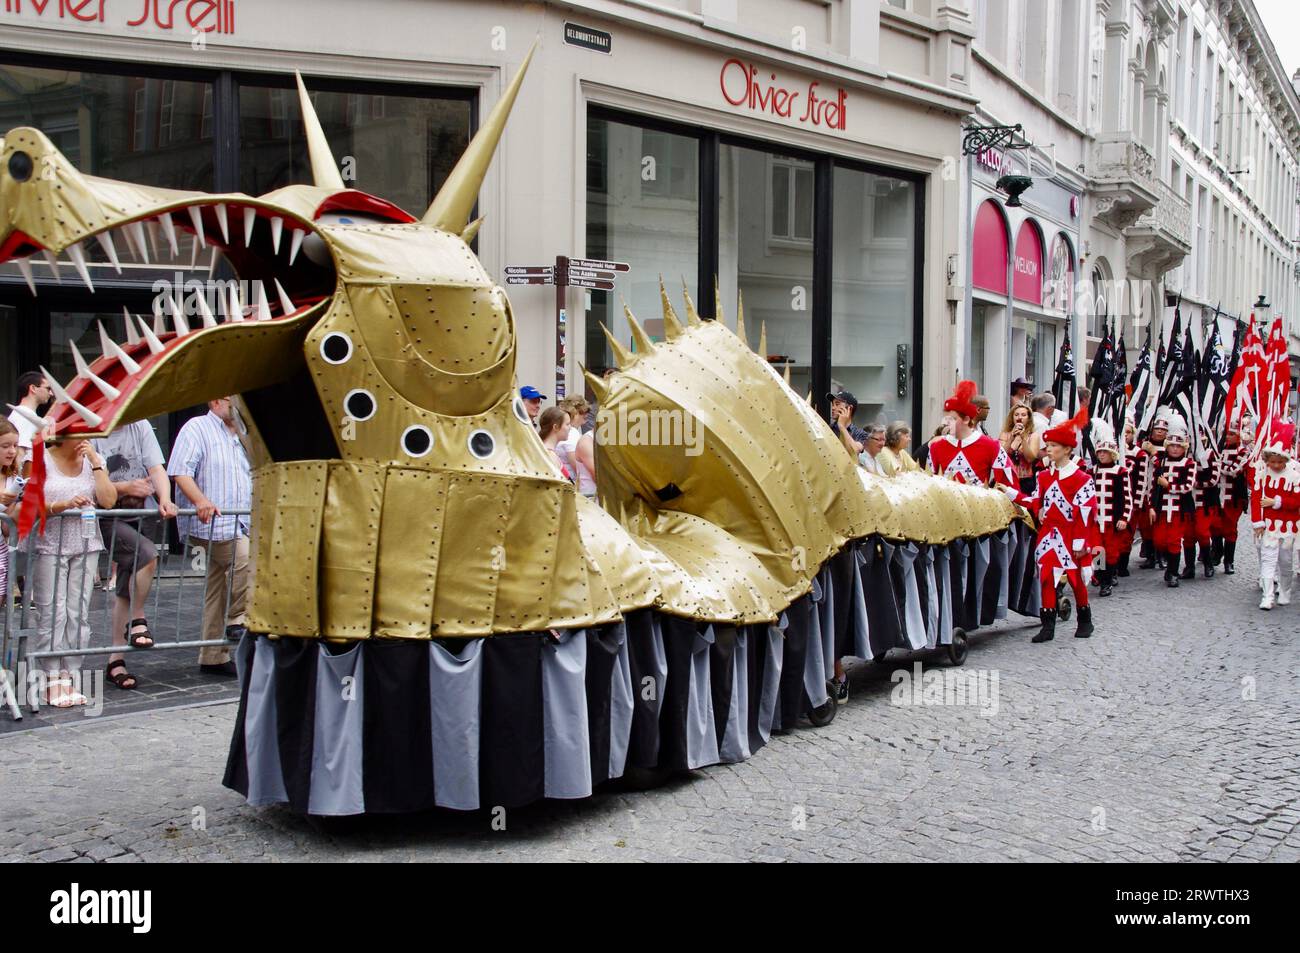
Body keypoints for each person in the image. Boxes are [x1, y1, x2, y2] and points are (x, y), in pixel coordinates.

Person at [168, 397, 251, 677]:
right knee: (247, 561)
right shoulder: (197, 427)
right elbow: (180, 471)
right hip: (210, 523)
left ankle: (212, 655)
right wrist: (201, 500)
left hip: (237, 522)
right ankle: (236, 619)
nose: (239, 407)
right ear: (217, 401)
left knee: (217, 585)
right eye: (234, 401)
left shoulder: (240, 435)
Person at [32, 434, 118, 706]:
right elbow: (30, 505)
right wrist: (64, 505)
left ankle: (69, 674)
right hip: (49, 544)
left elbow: (108, 500)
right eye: (83, 433)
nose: (88, 439)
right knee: (52, 611)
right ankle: (51, 677)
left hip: (85, 542)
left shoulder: (92, 460)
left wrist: (95, 463)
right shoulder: (40, 460)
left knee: (78, 611)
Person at [95, 419, 179, 691]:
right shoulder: (93, 429)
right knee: (147, 554)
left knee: (124, 589)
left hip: (142, 512)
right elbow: (92, 482)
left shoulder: (140, 425)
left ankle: (116, 661)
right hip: (108, 513)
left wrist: (165, 498)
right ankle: (137, 618)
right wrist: (126, 487)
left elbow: (156, 468)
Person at [1017, 408, 1098, 642]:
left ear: (1067, 449)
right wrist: (1013, 493)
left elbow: (1085, 513)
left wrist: (1082, 542)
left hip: (1072, 536)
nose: (1048, 449)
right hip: (1048, 535)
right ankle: (1047, 626)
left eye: (1053, 446)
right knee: (1046, 579)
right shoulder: (1043, 476)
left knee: (1075, 580)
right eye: (1048, 445)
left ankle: (1085, 620)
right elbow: (1036, 500)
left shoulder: (1082, 479)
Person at [927, 380, 1019, 495]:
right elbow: (929, 485)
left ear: (966, 419)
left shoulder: (991, 446)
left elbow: (1009, 483)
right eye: (945, 418)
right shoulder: (936, 447)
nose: (946, 423)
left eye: (952, 419)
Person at [1250, 422, 1299, 611]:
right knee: (1268, 561)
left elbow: (1296, 501)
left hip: (1287, 527)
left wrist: (1276, 502)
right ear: (1267, 460)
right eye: (1273, 462)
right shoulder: (1261, 475)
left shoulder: (1295, 476)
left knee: (1285, 563)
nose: (1276, 465)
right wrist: (1257, 522)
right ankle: (1267, 595)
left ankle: (1285, 591)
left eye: (1280, 462)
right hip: (1268, 527)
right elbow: (1255, 499)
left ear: (1286, 461)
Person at [1146, 413, 1196, 588]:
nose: (1175, 449)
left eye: (1178, 446)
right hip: (1161, 510)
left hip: (1179, 511)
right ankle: (1168, 564)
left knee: (1174, 541)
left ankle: (1173, 572)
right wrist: (1152, 506)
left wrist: (1169, 484)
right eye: (1172, 446)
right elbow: (1154, 487)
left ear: (1184, 448)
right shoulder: (1162, 463)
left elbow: (1187, 486)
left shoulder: (1189, 464)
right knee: (1159, 540)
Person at [1090, 420, 1131, 598]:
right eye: (1099, 452)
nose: (1102, 455)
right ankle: (1100, 577)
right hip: (1096, 520)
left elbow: (1127, 497)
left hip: (1112, 520)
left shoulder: (1120, 471)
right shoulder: (1092, 471)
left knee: (1112, 552)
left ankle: (1108, 580)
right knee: (1097, 551)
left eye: (1105, 452)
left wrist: (1124, 517)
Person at [1214, 422, 1252, 575]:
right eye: (1227, 433)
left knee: (1230, 529)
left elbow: (1233, 471)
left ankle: (1229, 561)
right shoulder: (1218, 449)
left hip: (1234, 498)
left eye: (1232, 434)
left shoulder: (1243, 451)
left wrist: (1217, 466)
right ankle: (1216, 553)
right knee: (1215, 526)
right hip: (1217, 496)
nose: (1228, 437)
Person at [1185, 442, 1222, 580]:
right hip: (1188, 502)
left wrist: (1195, 483)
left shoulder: (1211, 454)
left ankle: (1208, 564)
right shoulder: (1184, 454)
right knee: (1188, 536)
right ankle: (1189, 568)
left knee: (1202, 532)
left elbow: (1213, 479)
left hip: (1205, 503)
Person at [6, 371, 52, 476]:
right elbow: (19, 453)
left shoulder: (25, 415)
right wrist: (20, 486)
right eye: (48, 389)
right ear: (33, 388)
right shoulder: (24, 416)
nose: (51, 393)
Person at [0, 419, 22, 612]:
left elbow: (6, 528)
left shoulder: (12, 478)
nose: (12, 451)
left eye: (15, 445)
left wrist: (15, 508)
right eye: (5, 446)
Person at [999, 403, 1039, 495]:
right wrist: (1011, 438)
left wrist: (1023, 439)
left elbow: (1030, 458)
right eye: (1016, 415)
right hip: (1007, 479)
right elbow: (1000, 455)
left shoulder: (1033, 436)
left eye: (1023, 415)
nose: (1019, 417)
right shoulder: (1005, 434)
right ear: (1012, 417)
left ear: (1028, 419)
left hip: (1025, 481)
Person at [827, 390, 867, 457]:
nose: (833, 408)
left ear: (850, 408)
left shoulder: (861, 433)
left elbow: (854, 451)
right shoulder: (827, 429)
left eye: (837, 404)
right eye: (832, 404)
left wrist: (842, 427)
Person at [538, 407, 573, 481]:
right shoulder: (549, 456)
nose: (570, 428)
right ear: (556, 427)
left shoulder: (545, 451)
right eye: (567, 424)